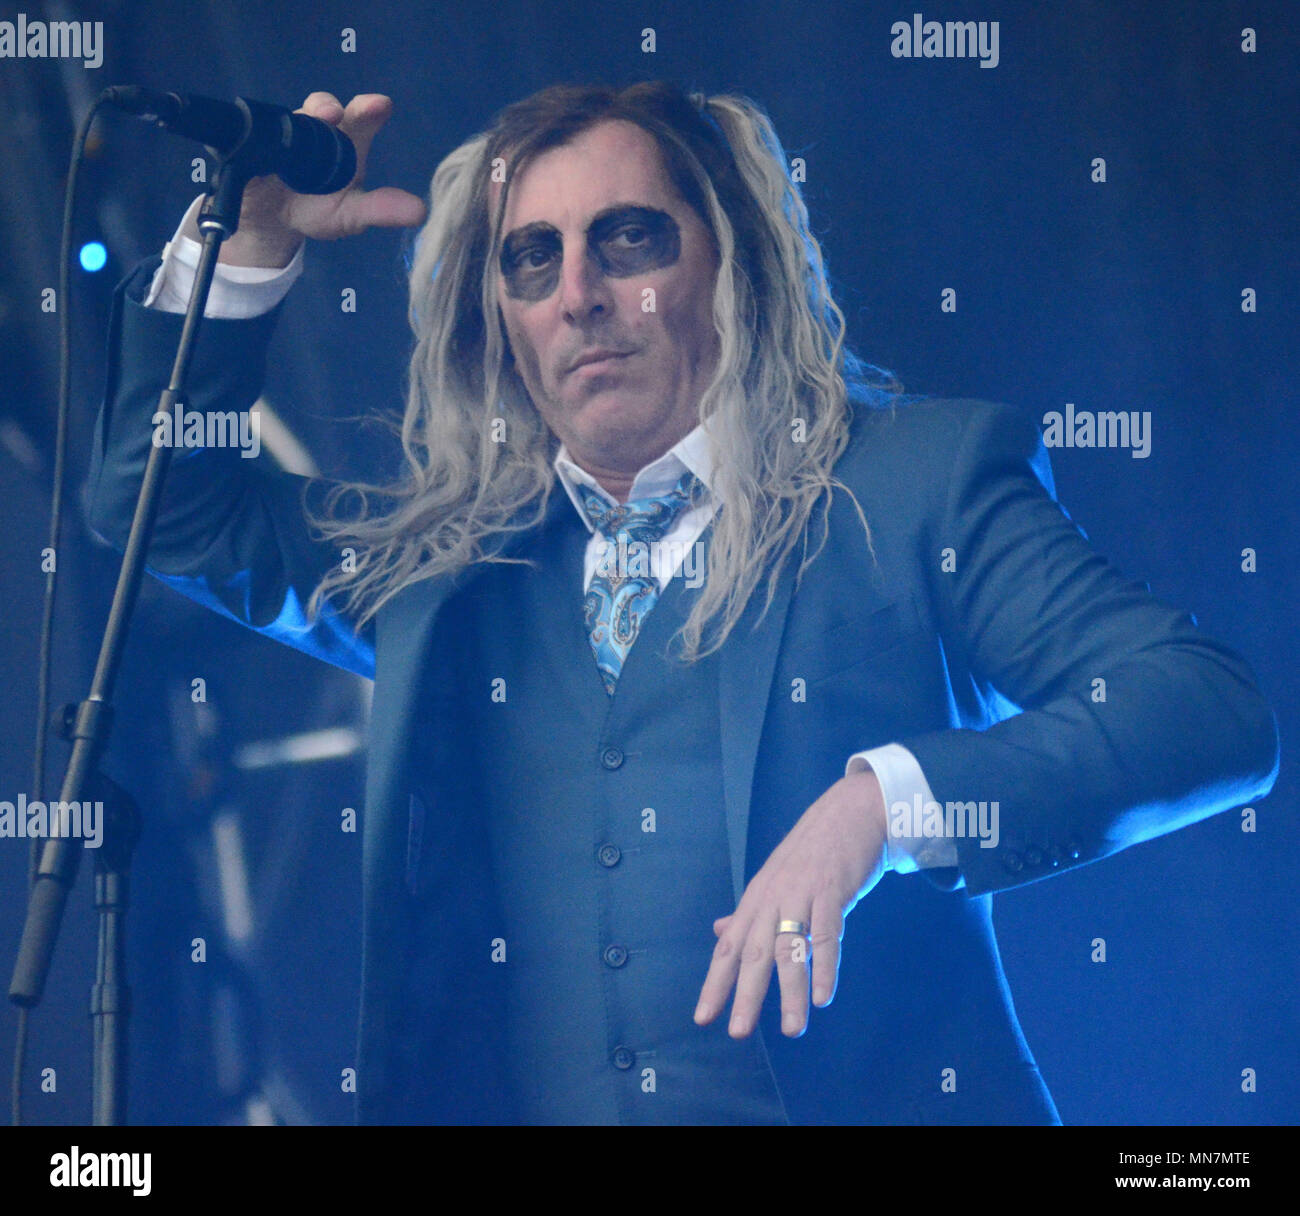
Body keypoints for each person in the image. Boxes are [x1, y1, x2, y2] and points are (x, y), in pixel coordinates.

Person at [87, 81, 1278, 1125]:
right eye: (532, 257)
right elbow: (159, 504)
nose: (580, 293)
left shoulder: (917, 486)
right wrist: (240, 258)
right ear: (498, 315)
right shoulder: (446, 572)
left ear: (731, 263)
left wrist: (884, 804)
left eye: (629, 240)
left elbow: (1205, 710)